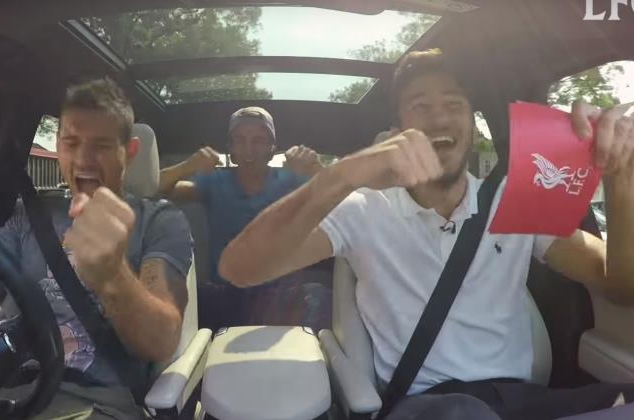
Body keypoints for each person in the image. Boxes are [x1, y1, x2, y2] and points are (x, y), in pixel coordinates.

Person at [219, 49, 634, 419]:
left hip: (524, 401)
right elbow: (240, 268)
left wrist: (620, 183)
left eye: (454, 104)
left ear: (473, 126)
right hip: (429, 405)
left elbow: (618, 285)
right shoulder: (363, 207)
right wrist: (343, 175)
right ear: (398, 129)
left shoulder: (516, 199)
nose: (440, 118)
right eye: (420, 106)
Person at [0, 77, 193, 419]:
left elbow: (161, 341)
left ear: (130, 151)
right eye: (71, 142)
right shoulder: (28, 216)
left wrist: (112, 276)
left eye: (102, 145)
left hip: (95, 403)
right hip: (5, 390)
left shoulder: (160, 221)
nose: (83, 159)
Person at [159, 106, 330, 329]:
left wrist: (315, 169)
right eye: (240, 140)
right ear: (230, 148)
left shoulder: (291, 180)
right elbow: (155, 190)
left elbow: (348, 201)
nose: (249, 150)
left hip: (282, 297)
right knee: (183, 295)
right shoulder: (214, 182)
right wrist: (187, 166)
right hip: (226, 295)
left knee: (321, 295)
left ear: (272, 148)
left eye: (258, 141)